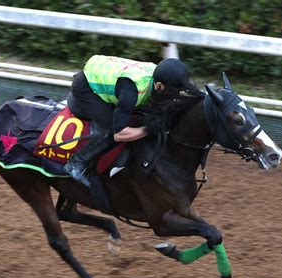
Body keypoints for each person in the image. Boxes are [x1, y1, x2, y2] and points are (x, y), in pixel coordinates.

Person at [64, 54, 194, 187]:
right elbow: (119, 134)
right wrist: (149, 128)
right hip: (85, 86)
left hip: (111, 75)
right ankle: (76, 163)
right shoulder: (132, 91)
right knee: (108, 129)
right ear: (158, 85)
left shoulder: (162, 76)